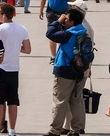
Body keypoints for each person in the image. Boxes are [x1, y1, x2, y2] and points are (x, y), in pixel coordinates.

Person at [43, 8, 88, 136]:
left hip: (64, 70)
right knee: (76, 101)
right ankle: (76, 129)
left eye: (66, 19)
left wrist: (57, 21)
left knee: (60, 101)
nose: (64, 19)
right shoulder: (82, 32)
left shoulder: (69, 34)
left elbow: (50, 34)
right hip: (79, 70)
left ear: (72, 22)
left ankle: (55, 130)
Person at [0, 2, 32, 136]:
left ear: (4, 16)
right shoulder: (22, 28)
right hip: (14, 69)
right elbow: (27, 50)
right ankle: (12, 129)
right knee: (13, 101)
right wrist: (16, 48)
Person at [39, 0, 75, 65]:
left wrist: (41, 10)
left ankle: (53, 57)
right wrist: (72, 10)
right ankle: (63, 55)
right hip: (64, 12)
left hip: (52, 11)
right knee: (65, 33)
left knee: (52, 33)